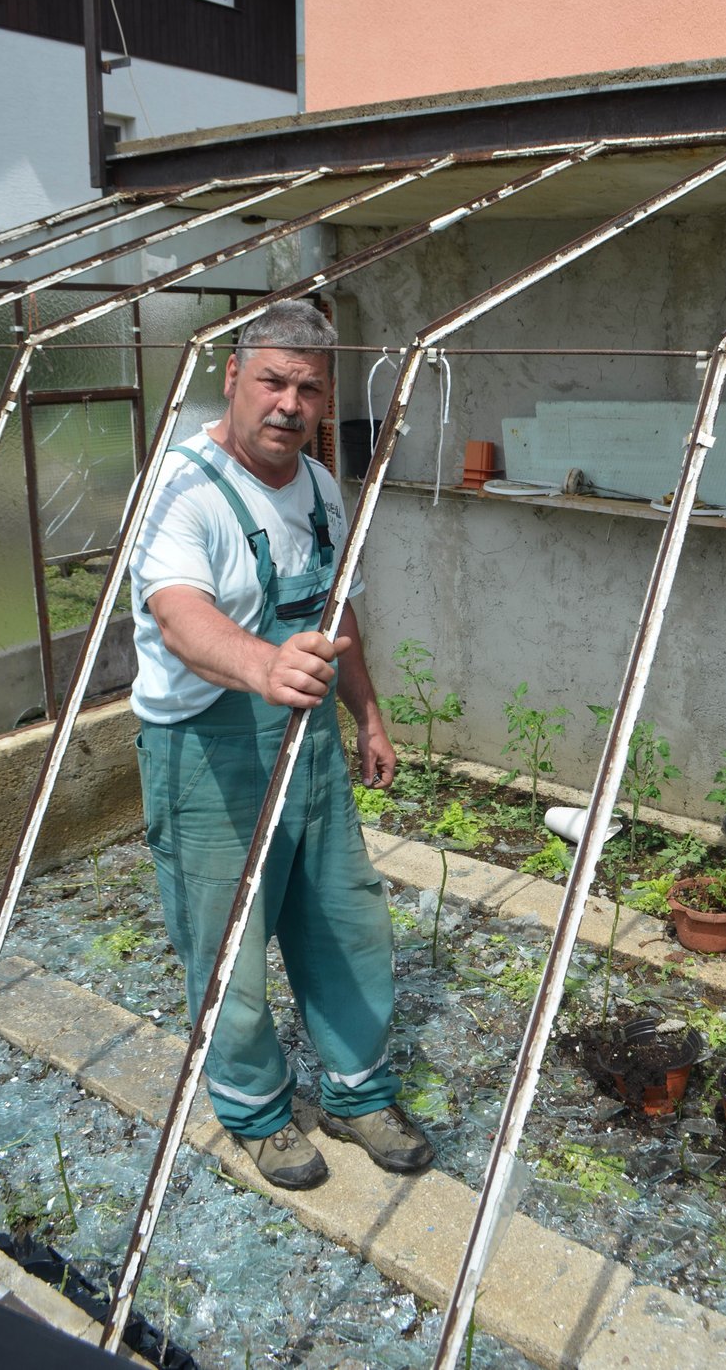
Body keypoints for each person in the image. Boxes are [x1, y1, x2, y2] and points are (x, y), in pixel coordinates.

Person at [128, 299, 432, 1189]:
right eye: (272, 380)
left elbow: (338, 613)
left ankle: (355, 1090)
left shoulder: (320, 484)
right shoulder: (181, 487)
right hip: (205, 747)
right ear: (233, 375)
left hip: (309, 745)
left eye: (308, 387)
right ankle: (257, 1110)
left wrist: (366, 711)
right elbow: (179, 615)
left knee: (348, 922)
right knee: (230, 949)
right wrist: (261, 666)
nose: (289, 404)